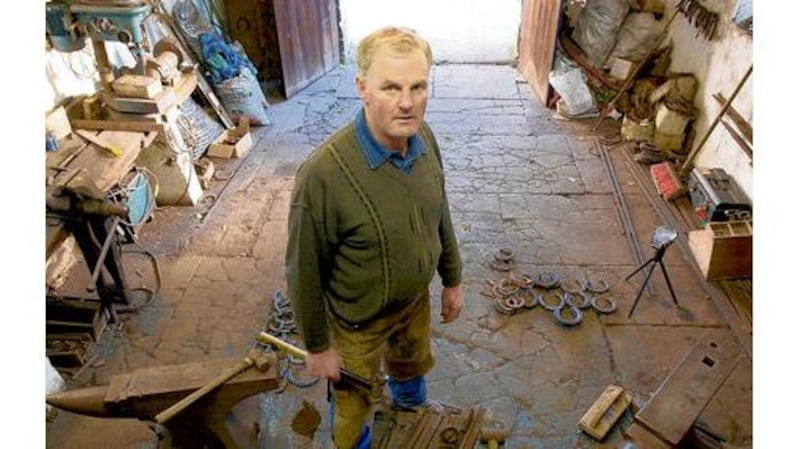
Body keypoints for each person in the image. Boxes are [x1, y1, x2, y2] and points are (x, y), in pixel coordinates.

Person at [285, 26, 464, 449]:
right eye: (391, 87)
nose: (407, 103)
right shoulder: (323, 176)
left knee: (411, 368)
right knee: (352, 406)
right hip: (355, 324)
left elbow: (440, 212)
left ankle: (410, 415)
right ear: (362, 88)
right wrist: (318, 346)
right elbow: (303, 272)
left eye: (418, 86)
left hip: (413, 303)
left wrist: (452, 279)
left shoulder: (424, 139)